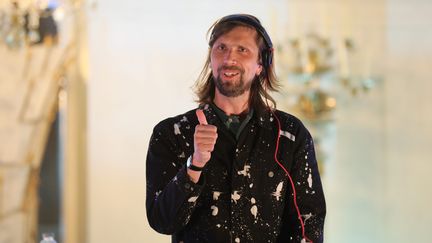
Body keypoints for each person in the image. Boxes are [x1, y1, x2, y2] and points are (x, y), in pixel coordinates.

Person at [146, 14, 326, 243]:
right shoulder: (171, 133)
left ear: (260, 64)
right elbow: (162, 221)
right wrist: (195, 164)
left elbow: (308, 223)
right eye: (221, 48)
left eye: (242, 50)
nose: (229, 58)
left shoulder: (290, 134)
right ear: (211, 59)